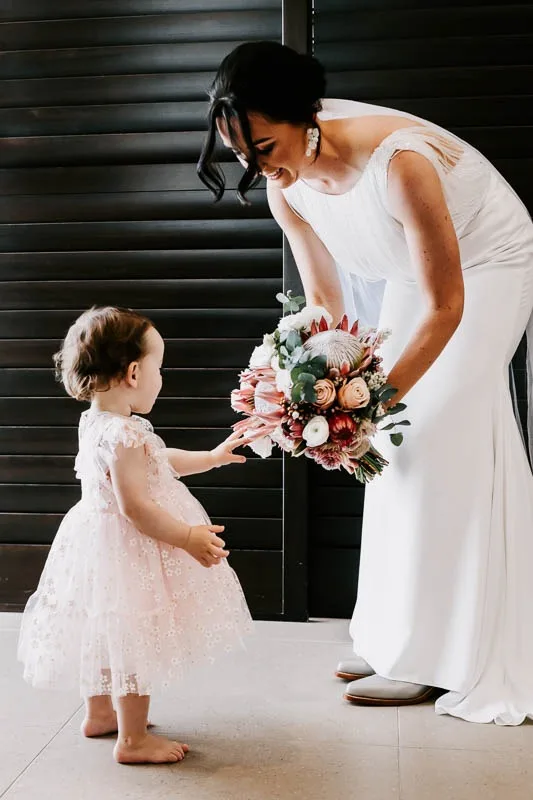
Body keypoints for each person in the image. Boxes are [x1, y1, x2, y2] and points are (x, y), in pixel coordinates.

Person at [198, 41, 533, 725]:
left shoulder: (399, 163)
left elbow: (446, 307)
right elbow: (323, 298)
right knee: (393, 453)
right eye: (239, 154)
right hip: (414, 271)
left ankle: (441, 656)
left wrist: (371, 402)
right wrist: (309, 382)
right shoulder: (284, 186)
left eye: (263, 145)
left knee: (440, 432)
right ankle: (390, 635)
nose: (256, 167)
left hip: (488, 262)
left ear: (302, 117)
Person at [18, 306, 252, 763]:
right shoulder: (124, 432)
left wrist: (212, 456)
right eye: (158, 368)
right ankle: (132, 740)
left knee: (104, 629)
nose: (160, 378)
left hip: (94, 543)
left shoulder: (98, 421)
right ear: (132, 372)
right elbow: (137, 506)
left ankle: (101, 714)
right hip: (128, 547)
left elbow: (158, 463)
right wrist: (186, 537)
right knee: (135, 635)